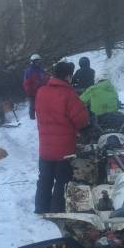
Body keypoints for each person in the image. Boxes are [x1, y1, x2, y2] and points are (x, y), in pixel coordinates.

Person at [33, 61, 89, 213]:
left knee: (44, 178)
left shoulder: (41, 92)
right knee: (62, 180)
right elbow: (81, 120)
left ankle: (40, 208)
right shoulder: (68, 94)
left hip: (45, 147)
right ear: (68, 76)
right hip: (64, 148)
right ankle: (57, 209)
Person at [22, 53, 48, 120]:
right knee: (33, 105)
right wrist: (30, 91)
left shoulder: (40, 69)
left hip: (42, 91)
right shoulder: (29, 71)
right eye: (36, 61)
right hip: (33, 92)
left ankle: (43, 116)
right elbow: (26, 83)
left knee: (43, 105)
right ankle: (32, 118)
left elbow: (45, 78)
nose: (38, 63)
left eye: (39, 61)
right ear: (32, 62)